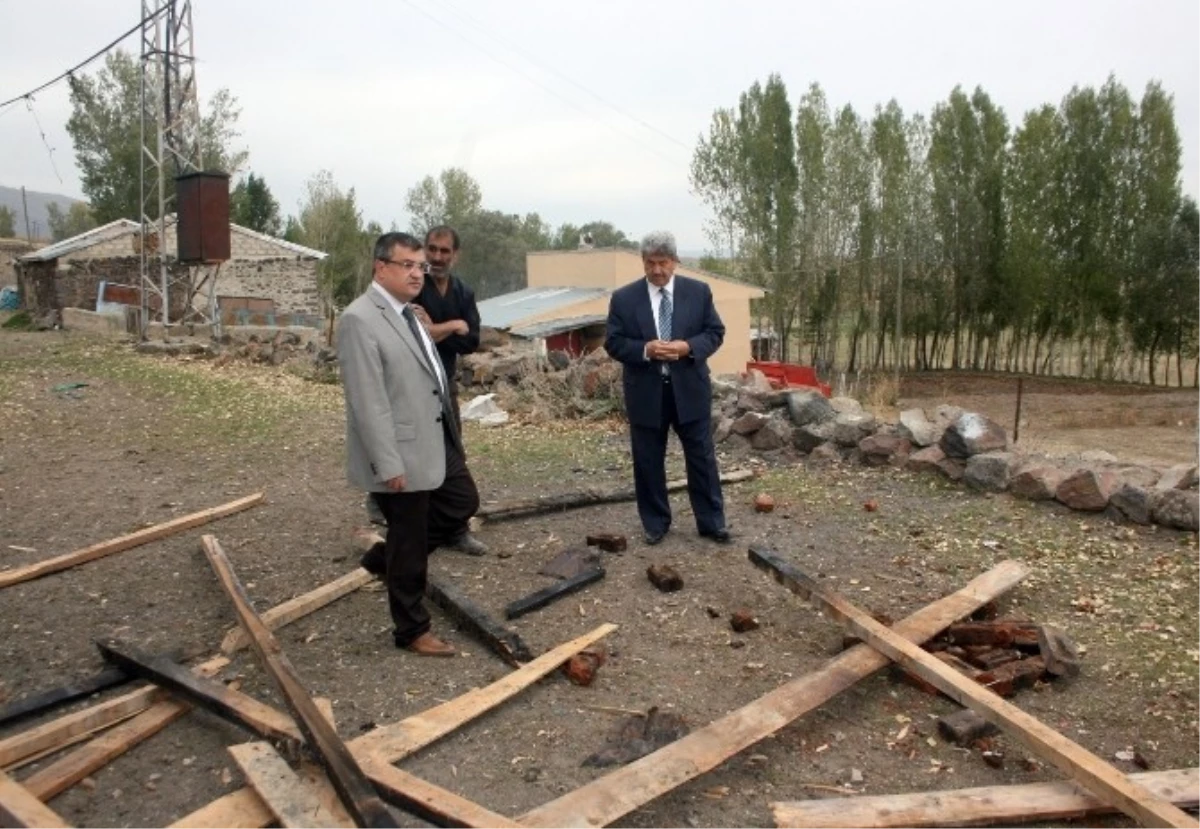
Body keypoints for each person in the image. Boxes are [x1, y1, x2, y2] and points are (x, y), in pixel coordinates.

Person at [338, 232, 481, 656]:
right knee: (410, 536)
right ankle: (412, 630)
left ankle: (386, 559)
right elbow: (367, 401)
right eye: (409, 265)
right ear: (381, 268)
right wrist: (388, 463)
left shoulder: (408, 314)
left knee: (461, 501)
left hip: (434, 437)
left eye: (421, 266)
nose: (419, 273)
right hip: (400, 449)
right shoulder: (359, 319)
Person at [363, 225, 487, 556]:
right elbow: (414, 336)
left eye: (444, 251)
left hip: (444, 387)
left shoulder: (463, 292)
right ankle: (396, 519)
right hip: (408, 390)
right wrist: (451, 326)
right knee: (412, 458)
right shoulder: (414, 287)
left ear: (455, 255)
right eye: (431, 249)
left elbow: (472, 340)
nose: (436, 257)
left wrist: (435, 329)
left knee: (453, 455)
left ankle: (454, 530)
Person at [604, 230, 731, 546]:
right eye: (650, 263)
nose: (657, 270)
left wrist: (688, 347)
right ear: (643, 262)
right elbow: (614, 342)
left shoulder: (698, 292)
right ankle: (655, 523)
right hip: (646, 392)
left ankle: (712, 522)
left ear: (675, 261)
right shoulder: (624, 298)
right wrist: (646, 350)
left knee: (701, 458)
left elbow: (714, 332)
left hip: (690, 390)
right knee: (647, 460)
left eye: (663, 262)